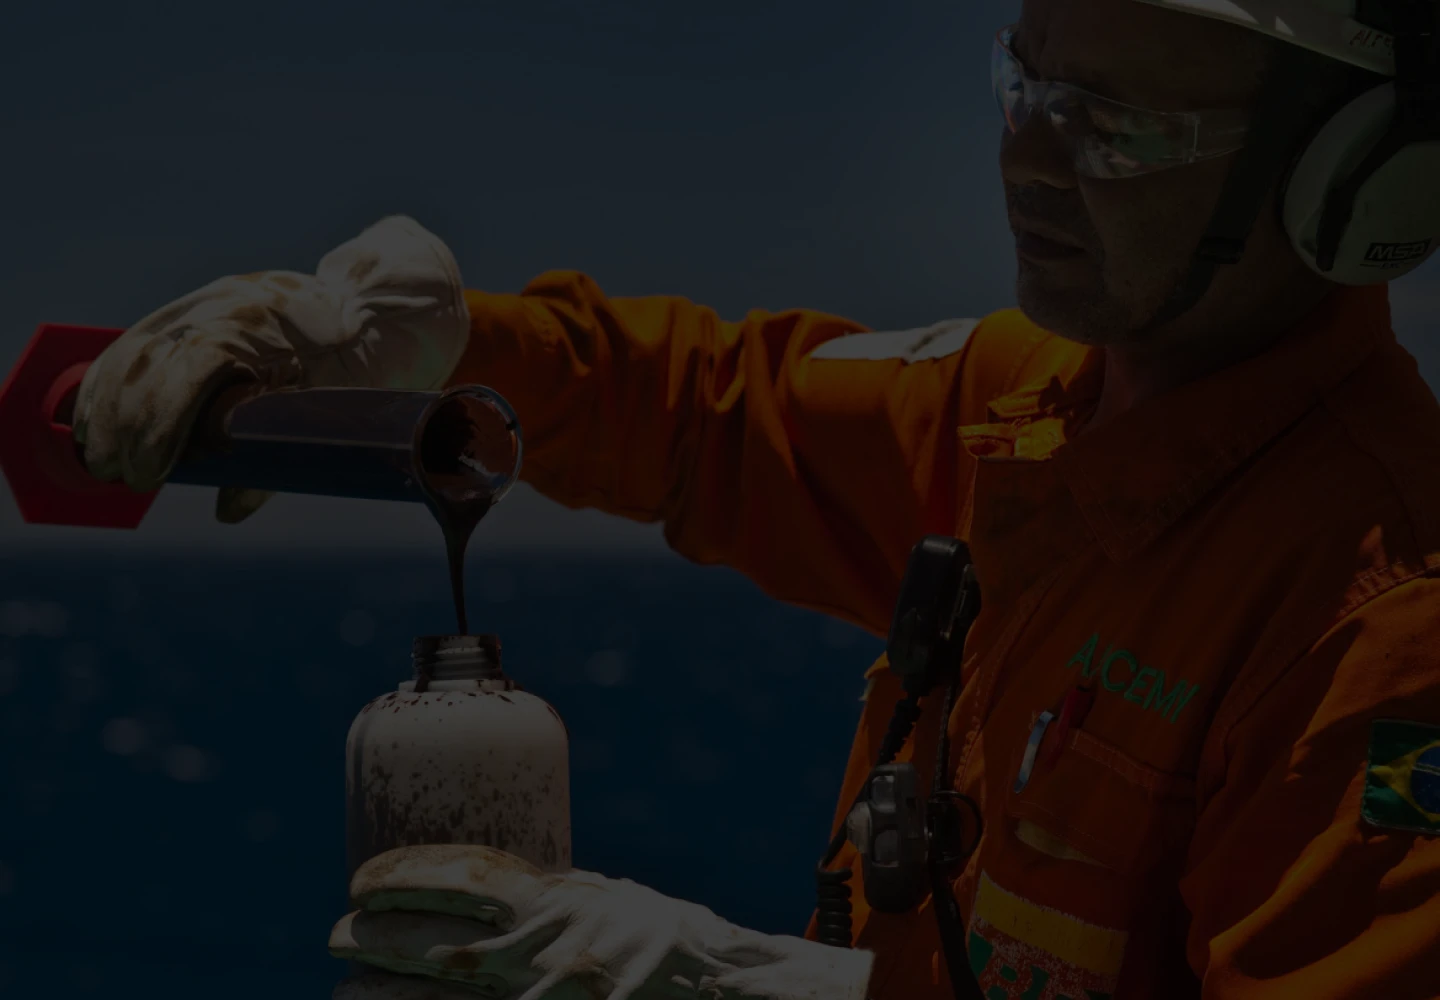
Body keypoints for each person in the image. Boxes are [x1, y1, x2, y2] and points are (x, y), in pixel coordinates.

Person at [69, 0, 1440, 997]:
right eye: (1025, 81)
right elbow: (717, 413)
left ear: (1354, 182)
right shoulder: (1028, 402)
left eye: (1122, 128)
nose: (1028, 158)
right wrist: (436, 343)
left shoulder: (1383, 625)